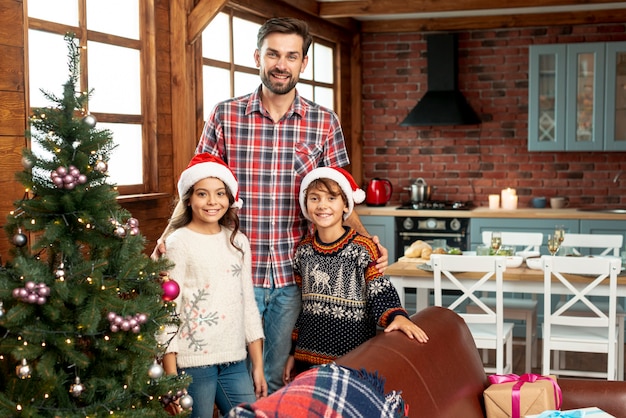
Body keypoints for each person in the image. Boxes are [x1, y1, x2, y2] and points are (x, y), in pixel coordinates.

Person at [155, 17, 388, 394]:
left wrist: (368, 244)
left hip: (292, 276)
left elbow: (340, 195)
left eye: (291, 56)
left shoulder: (324, 122)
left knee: (276, 379)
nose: (282, 64)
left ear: (303, 63)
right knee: (230, 378)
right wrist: (166, 237)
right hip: (231, 271)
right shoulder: (225, 115)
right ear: (257, 57)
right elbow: (195, 187)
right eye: (273, 54)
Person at [283, 167, 428, 381]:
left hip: (351, 360)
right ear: (306, 205)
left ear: (345, 205)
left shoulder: (363, 248)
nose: (322, 205)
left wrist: (397, 316)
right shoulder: (303, 252)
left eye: (331, 198)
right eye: (315, 198)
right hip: (308, 359)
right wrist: (292, 353)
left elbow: (379, 290)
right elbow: (301, 310)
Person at [160, 153, 267, 417]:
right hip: (193, 364)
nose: (212, 202)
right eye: (202, 194)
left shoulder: (238, 242)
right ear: (189, 198)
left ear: (230, 199)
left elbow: (248, 306)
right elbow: (167, 312)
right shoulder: (178, 243)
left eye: (220, 193)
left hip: (234, 360)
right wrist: (171, 376)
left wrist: (257, 365)